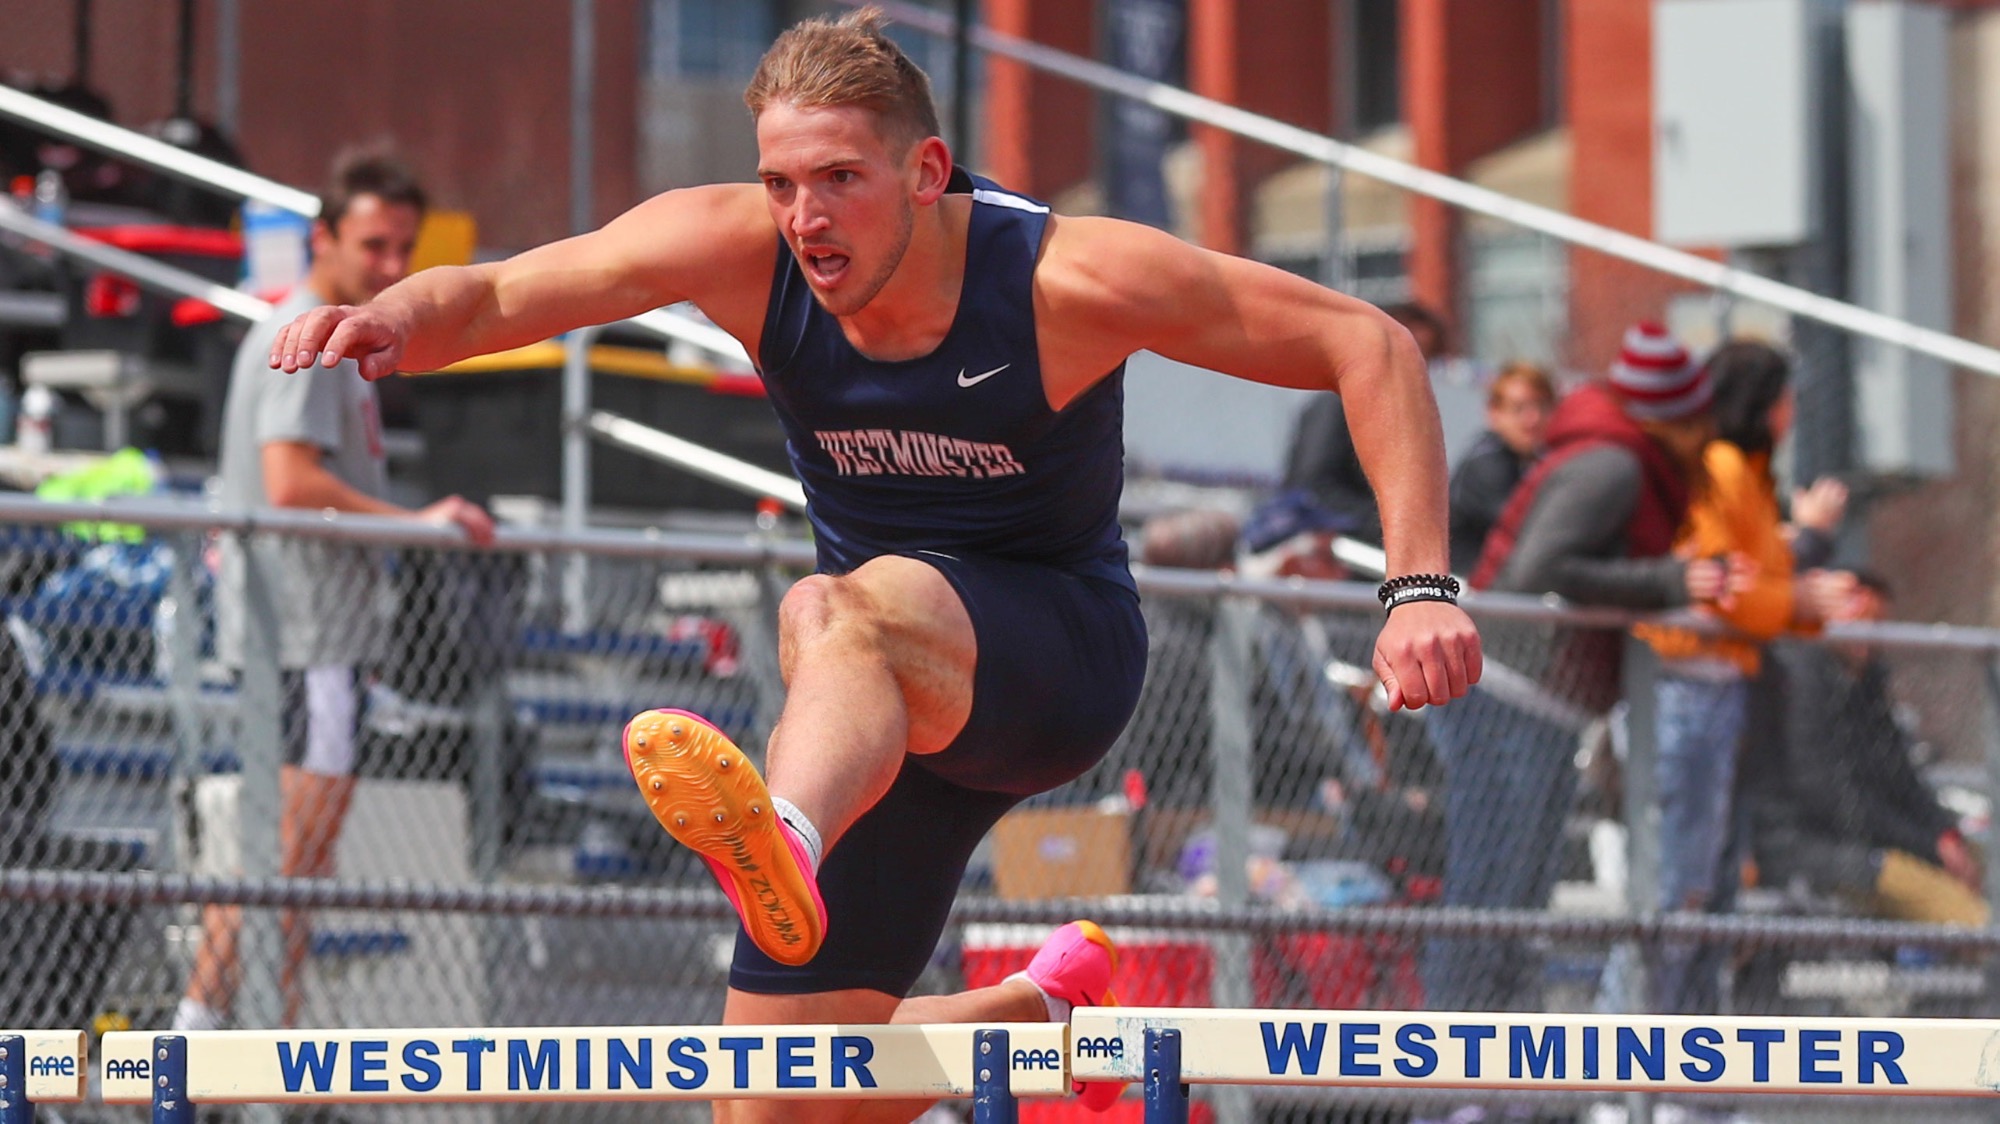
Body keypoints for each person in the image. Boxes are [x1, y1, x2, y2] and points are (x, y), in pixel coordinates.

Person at [265, 11, 1480, 1121]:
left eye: (841, 179)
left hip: (1050, 659)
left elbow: (1362, 342)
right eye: (782, 183)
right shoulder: (740, 248)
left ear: (927, 172)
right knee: (770, 1096)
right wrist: (399, 321)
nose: (807, 219)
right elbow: (499, 289)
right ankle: (1031, 1015)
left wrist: (1416, 585)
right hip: (877, 728)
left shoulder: (1064, 276)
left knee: (835, 604)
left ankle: (778, 834)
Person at [175, 152, 494, 1032]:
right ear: (324, 238)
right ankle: (195, 1040)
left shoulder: (313, 328)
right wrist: (417, 522)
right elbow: (289, 480)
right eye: (373, 245)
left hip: (306, 630)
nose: (391, 268)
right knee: (286, 855)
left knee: (294, 859)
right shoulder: (310, 332)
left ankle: (266, 1052)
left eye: (404, 249)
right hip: (308, 632)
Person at [1421, 322, 1742, 1014]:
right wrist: (1670, 581)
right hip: (1511, 693)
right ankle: (1456, 1078)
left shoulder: (1619, 459)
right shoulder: (1612, 464)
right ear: (1673, 418)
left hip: (1536, 700)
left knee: (1515, 894)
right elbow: (1539, 571)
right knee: (1491, 890)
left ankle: (1493, 1076)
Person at [1629, 338, 1843, 1012]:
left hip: (1720, 691)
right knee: (1676, 894)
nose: (1792, 414)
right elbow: (1719, 584)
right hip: (1684, 685)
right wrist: (1795, 597)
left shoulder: (1745, 470)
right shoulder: (1720, 465)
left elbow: (1764, 583)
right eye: (1786, 399)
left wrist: (1797, 598)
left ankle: (1689, 1093)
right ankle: (1626, 1087)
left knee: (1710, 897)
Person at [1745, 572, 1985, 926]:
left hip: (1869, 845)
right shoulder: (1799, 676)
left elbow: (1903, 778)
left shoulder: (1865, 684)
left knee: (1977, 854)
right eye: (1859, 621)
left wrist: (1943, 833)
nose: (1867, 637)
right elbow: (1829, 798)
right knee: (1972, 918)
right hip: (1817, 852)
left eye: (1878, 624)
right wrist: (1925, 846)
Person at [1278, 301, 1451, 547]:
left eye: (1426, 360)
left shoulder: (1391, 409)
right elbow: (1312, 487)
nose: (1418, 371)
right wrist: (1390, 523)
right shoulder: (1337, 402)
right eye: (1411, 356)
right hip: (1325, 545)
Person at [1447, 361, 1555, 573]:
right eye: (1518, 408)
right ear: (1493, 413)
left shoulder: (1533, 460)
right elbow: (1528, 531)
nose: (1532, 419)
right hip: (1465, 592)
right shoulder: (1485, 463)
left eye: (1541, 406)